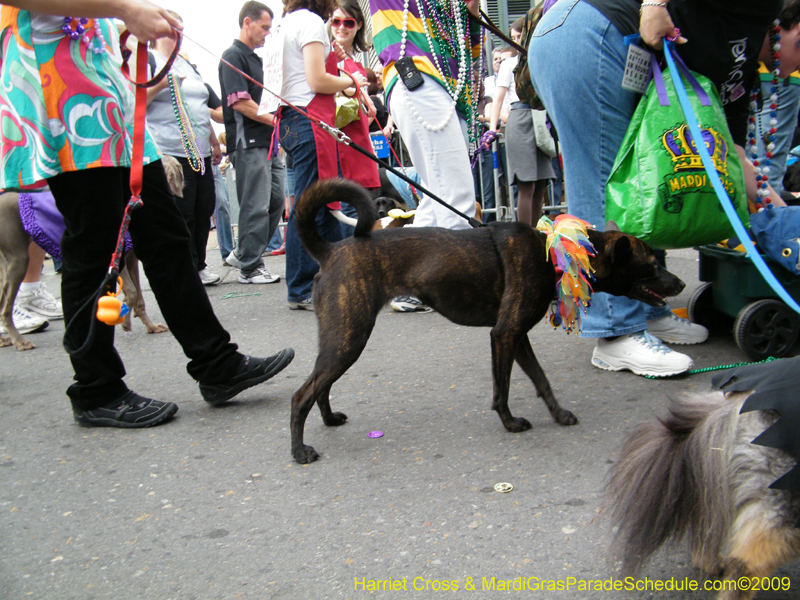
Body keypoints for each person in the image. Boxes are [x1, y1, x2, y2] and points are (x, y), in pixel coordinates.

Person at [0, 0, 295, 428]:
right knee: (94, 244)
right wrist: (122, 9)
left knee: (165, 235)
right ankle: (95, 389)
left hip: (112, 98)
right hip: (64, 93)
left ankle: (216, 363)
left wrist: (128, 18)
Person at [528, 0, 800, 378]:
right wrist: (655, 3)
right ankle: (616, 331)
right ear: (786, 27)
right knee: (606, 184)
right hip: (594, 35)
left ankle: (650, 308)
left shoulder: (744, 67)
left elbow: (730, 154)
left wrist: (774, 204)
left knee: (646, 187)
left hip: (616, 47)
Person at [278, 0, 371, 311]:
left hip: (294, 118)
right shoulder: (310, 22)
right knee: (312, 205)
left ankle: (323, 280)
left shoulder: (287, 22)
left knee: (317, 204)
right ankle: (304, 286)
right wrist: (352, 80)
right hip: (308, 118)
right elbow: (317, 80)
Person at [369, 0, 482, 231]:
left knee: (436, 200)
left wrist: (471, 10)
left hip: (449, 88)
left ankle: (410, 265)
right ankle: (458, 267)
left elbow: (471, 51)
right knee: (455, 201)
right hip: (419, 76)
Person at [146, 15, 222, 286]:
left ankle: (198, 264)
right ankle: (185, 269)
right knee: (182, 212)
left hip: (199, 151)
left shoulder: (188, 66)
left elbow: (199, 106)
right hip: (171, 151)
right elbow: (135, 102)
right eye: (171, 29)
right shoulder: (150, 61)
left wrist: (213, 140)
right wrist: (161, 83)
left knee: (204, 209)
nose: (177, 34)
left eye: (180, 29)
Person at [219, 1, 285, 285]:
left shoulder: (257, 59)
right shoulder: (232, 55)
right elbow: (241, 103)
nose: (267, 34)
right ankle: (250, 266)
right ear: (247, 22)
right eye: (264, 27)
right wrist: (275, 121)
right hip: (248, 141)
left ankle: (244, 253)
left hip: (268, 140)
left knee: (276, 201)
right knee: (255, 204)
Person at [489, 17, 554, 227]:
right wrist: (492, 129)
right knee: (526, 185)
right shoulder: (509, 64)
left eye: (519, 35)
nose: (517, 40)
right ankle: (525, 239)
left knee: (540, 184)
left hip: (540, 116)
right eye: (514, 37)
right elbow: (498, 99)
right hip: (521, 117)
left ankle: (537, 235)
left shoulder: (542, 57)